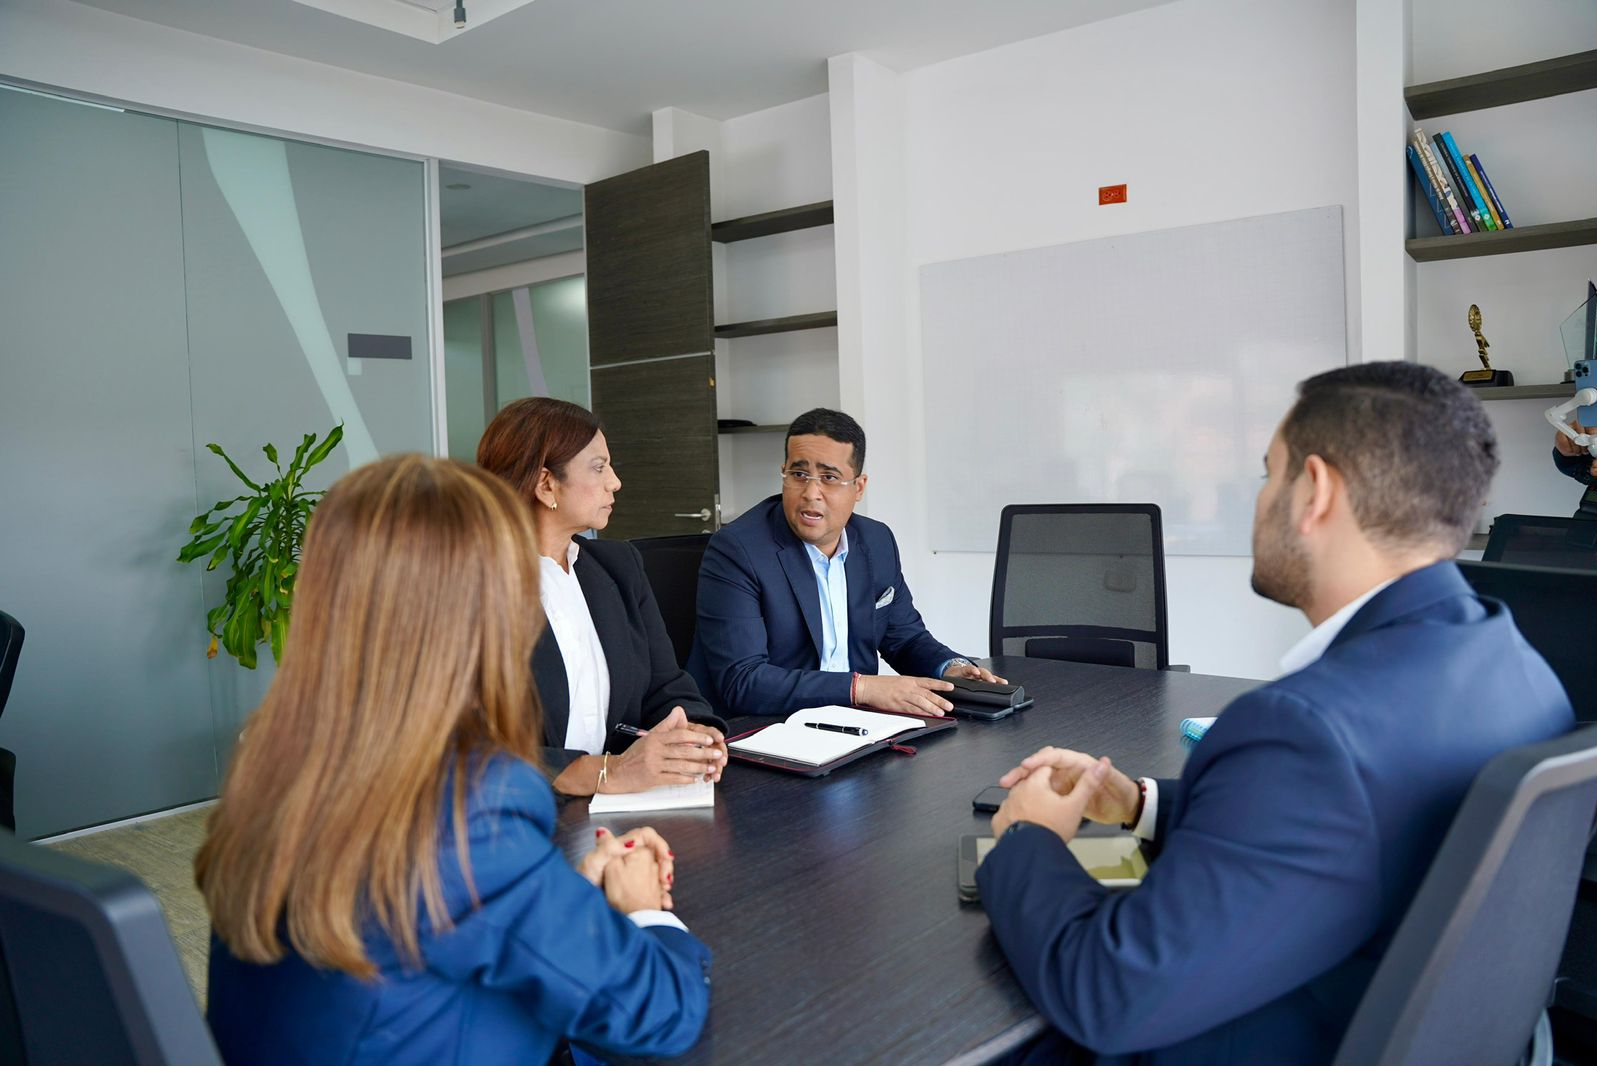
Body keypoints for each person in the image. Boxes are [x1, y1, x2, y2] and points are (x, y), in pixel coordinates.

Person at [977, 362, 1574, 1065]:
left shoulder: (1302, 731)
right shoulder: (1519, 667)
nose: (1258, 500)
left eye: (1268, 475)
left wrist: (1028, 841)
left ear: (1315, 491)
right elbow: (1351, 831)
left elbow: (1108, 995)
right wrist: (1140, 802)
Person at [198, 456, 710, 1065]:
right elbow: (658, 1012)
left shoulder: (278, 765)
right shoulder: (471, 809)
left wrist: (559, 895)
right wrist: (645, 910)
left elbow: (423, 914)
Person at [477, 398, 727, 796]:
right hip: (513, 816)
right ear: (546, 485)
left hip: (618, 812)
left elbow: (668, 685)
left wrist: (695, 732)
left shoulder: (617, 565)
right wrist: (606, 772)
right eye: (599, 467)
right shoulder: (470, 586)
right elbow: (465, 745)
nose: (615, 482)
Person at [689, 407, 1002, 717]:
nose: (811, 493)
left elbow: (905, 638)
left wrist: (952, 668)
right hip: (763, 729)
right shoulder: (738, 550)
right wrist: (862, 689)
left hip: (852, 724)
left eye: (829, 477)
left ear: (859, 487)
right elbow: (743, 681)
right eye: (799, 474)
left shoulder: (876, 542)